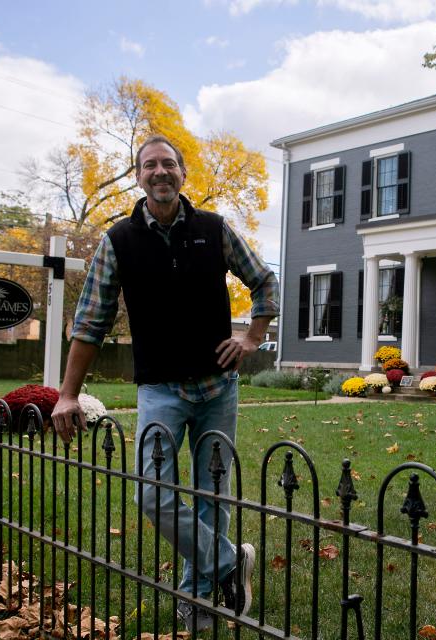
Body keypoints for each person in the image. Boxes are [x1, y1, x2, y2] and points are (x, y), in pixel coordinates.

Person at [50, 134, 278, 631]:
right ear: (138, 177)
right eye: (150, 165)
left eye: (169, 164)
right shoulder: (119, 242)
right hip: (160, 390)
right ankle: (228, 564)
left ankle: (199, 603)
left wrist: (253, 335)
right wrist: (67, 393)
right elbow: (90, 322)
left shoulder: (214, 229)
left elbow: (264, 279)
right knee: (152, 494)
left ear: (182, 173)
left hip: (219, 387)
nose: (160, 172)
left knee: (211, 494)